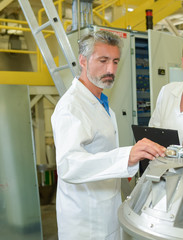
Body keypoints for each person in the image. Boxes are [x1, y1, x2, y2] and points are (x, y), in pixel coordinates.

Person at [51, 30, 166, 240]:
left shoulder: (102, 103)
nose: (111, 69)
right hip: (85, 221)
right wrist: (126, 156)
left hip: (106, 210)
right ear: (83, 61)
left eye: (115, 61)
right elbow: (69, 165)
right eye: (103, 61)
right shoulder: (71, 107)